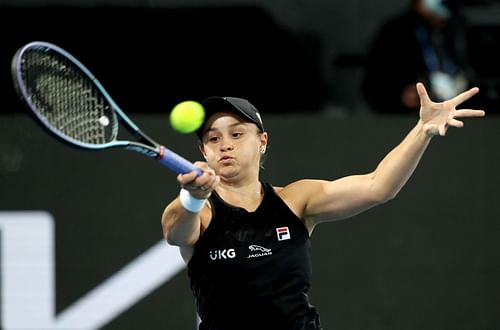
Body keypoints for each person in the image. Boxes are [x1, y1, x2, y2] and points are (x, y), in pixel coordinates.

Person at [161, 83, 484, 330]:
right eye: (213, 139)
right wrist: (192, 196)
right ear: (204, 151)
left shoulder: (296, 199)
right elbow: (175, 233)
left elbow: (378, 187)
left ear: (262, 141)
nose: (225, 144)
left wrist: (421, 131)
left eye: (236, 133)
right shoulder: (199, 210)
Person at [362, 0, 470, 114]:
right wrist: (399, 96)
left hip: (454, 111)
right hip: (408, 116)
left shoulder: (456, 27)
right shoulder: (396, 30)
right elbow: (373, 83)